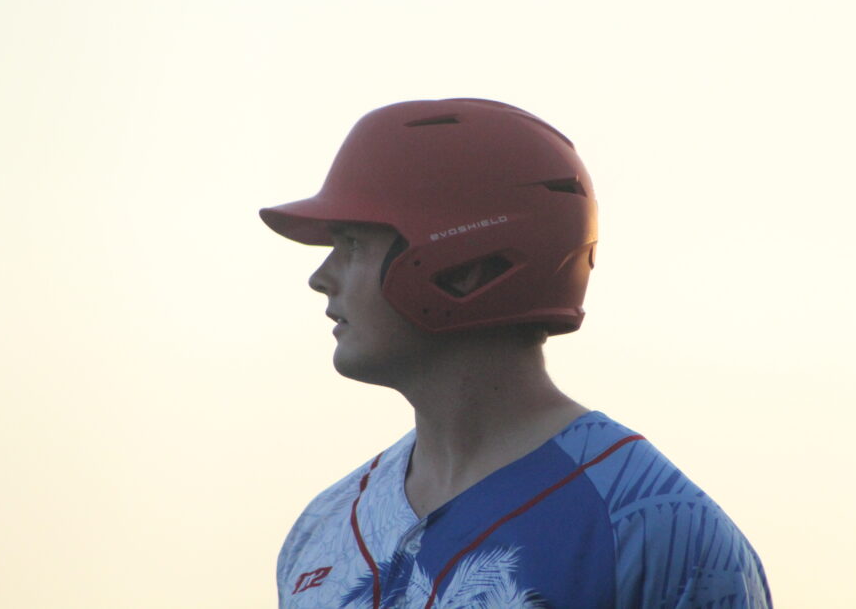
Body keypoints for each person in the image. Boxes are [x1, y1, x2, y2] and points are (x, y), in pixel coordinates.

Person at [260, 98, 772, 608]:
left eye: (352, 244)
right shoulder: (319, 532)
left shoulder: (656, 526)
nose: (320, 277)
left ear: (462, 265)